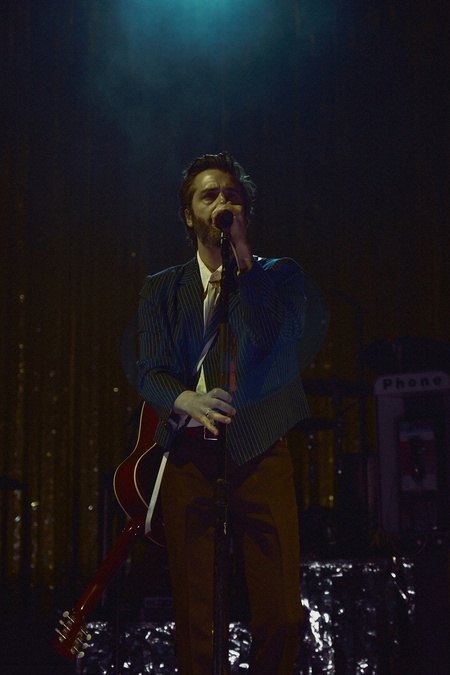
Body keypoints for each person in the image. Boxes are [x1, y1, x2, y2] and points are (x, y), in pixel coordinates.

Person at [137, 152, 312, 674]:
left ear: (245, 212)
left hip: (260, 451)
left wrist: (243, 257)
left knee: (281, 612)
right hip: (189, 456)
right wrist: (185, 400)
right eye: (208, 195)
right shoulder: (162, 288)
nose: (221, 202)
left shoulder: (278, 276)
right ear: (188, 214)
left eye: (231, 195)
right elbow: (150, 371)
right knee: (196, 618)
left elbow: (278, 332)